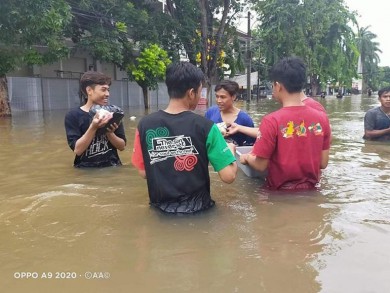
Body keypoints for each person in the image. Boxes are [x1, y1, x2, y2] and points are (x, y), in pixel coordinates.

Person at [131, 62, 237, 214]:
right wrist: (230, 151)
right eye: (200, 92)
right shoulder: (206, 127)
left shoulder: (144, 125)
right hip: (199, 213)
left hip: (160, 212)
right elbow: (228, 176)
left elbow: (144, 173)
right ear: (191, 93)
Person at [239, 56, 331, 190]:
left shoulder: (271, 121)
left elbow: (260, 165)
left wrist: (246, 158)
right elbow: (323, 163)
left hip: (279, 193)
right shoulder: (322, 118)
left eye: (272, 84)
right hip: (312, 191)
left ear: (278, 86)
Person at [64, 71, 126, 167]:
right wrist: (93, 127)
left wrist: (109, 131)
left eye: (108, 90)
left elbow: (122, 146)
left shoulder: (113, 113)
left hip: (112, 166)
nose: (107, 94)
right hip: (85, 169)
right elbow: (78, 150)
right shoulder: (73, 115)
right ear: (89, 90)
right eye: (103, 90)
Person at [205, 80, 255, 146]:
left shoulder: (245, 119)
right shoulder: (211, 112)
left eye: (223, 97)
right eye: (217, 96)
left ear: (233, 97)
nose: (218, 101)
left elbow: (250, 145)